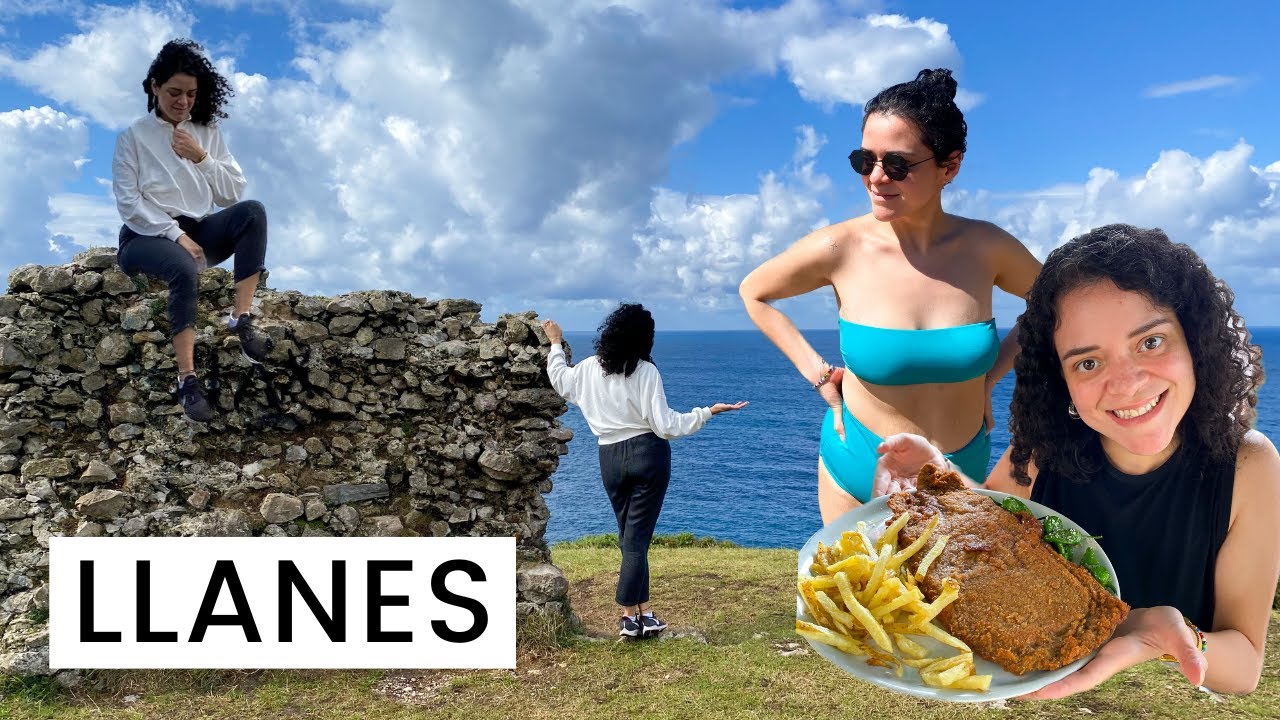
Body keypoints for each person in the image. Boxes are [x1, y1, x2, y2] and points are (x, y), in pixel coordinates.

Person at [873, 224, 1278, 696]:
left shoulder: (1248, 466)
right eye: (1088, 362)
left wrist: (1169, 639)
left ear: (1195, 341)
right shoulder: (1048, 447)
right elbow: (987, 526)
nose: (1126, 385)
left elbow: (1246, 664)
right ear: (1061, 379)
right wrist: (940, 475)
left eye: (1150, 342)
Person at [739, 68, 1041, 523]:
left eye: (897, 164)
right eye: (865, 160)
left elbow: (1053, 304)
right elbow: (754, 292)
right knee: (849, 595)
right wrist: (818, 375)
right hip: (857, 464)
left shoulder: (986, 248)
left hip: (957, 471)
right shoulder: (840, 248)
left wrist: (991, 375)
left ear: (950, 166)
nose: (877, 178)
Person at [541, 304, 748, 638]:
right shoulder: (646, 371)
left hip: (608, 456)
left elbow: (561, 381)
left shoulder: (589, 368)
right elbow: (666, 425)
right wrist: (707, 412)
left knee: (630, 538)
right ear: (644, 339)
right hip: (647, 454)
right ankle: (628, 616)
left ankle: (645, 612)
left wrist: (555, 343)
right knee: (636, 542)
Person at [112, 38, 272, 423]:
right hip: (144, 236)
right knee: (183, 266)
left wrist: (200, 157)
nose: (183, 101)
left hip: (199, 229)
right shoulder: (132, 137)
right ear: (154, 87)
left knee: (253, 212)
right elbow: (129, 202)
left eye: (190, 94)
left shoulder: (206, 130)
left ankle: (241, 319)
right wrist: (174, 234)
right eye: (173, 92)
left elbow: (231, 191)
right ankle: (187, 381)